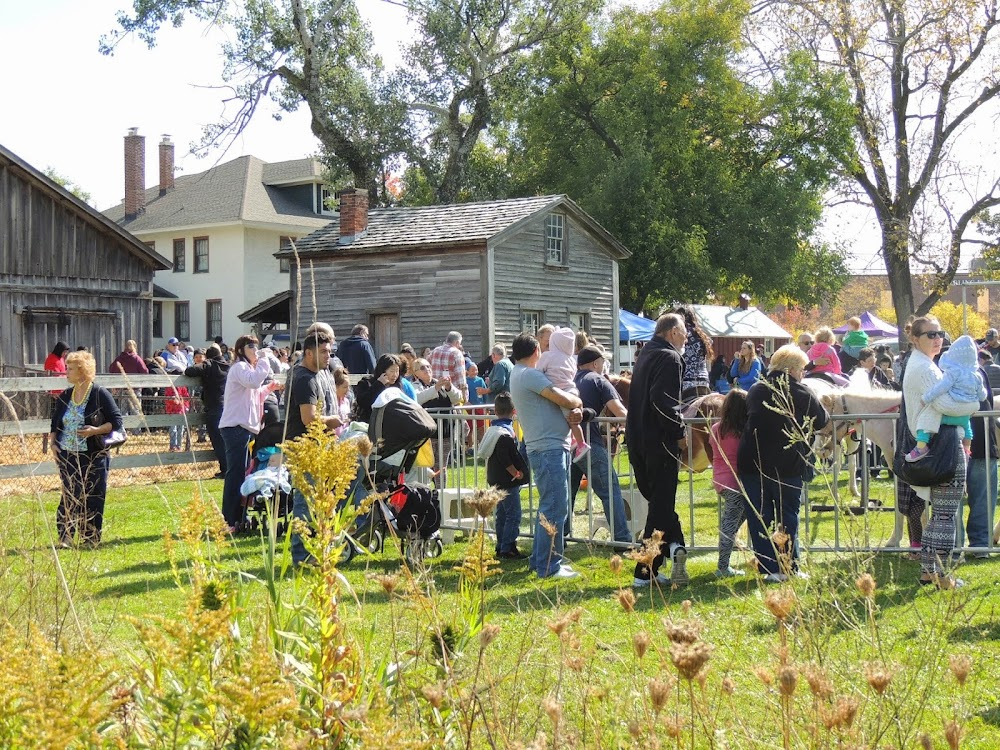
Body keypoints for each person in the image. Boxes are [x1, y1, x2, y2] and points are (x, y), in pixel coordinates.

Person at [737, 344, 829, 582]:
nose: (803, 373)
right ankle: (789, 566)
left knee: (760, 515)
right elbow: (823, 421)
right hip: (787, 464)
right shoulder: (801, 391)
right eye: (802, 369)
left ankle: (768, 569)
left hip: (752, 462)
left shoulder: (757, 389)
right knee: (787, 515)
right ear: (793, 369)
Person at [509, 332, 584, 579]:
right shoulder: (529, 374)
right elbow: (561, 397)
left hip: (549, 445)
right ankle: (548, 566)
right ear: (535, 352)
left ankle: (544, 560)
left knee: (552, 505)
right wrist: (578, 402)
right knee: (555, 506)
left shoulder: (519, 373)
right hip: (548, 447)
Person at [901, 316, 968, 588]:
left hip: (936, 447)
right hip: (942, 447)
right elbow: (947, 404)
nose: (938, 338)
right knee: (944, 515)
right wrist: (971, 403)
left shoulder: (922, 364)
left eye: (940, 333)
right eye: (930, 334)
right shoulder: (924, 368)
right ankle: (941, 575)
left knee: (940, 514)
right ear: (915, 338)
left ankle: (930, 572)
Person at [627, 313, 690, 587]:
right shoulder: (669, 357)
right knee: (661, 504)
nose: (686, 336)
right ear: (674, 331)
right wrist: (680, 433)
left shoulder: (646, 354)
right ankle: (645, 570)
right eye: (684, 331)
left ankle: (676, 547)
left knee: (660, 504)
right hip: (659, 441)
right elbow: (663, 402)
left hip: (639, 439)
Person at [48, 350, 124, 547]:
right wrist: (53, 443)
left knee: (93, 495)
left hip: (94, 454)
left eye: (70, 369)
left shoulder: (99, 394)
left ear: (82, 371)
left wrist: (95, 430)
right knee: (70, 494)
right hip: (68, 454)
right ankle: (65, 537)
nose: (66, 372)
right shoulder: (65, 395)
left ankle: (90, 538)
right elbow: (55, 423)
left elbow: (116, 423)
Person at [286, 330, 341, 567]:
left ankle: (317, 549)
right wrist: (332, 420)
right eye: (323, 351)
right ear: (308, 353)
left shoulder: (319, 374)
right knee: (305, 502)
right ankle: (301, 556)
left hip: (319, 446)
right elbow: (309, 419)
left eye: (329, 351)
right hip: (305, 447)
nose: (328, 356)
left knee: (320, 500)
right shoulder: (304, 378)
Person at [567, 345, 631, 544]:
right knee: (610, 492)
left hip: (569, 444)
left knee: (567, 494)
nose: (604, 366)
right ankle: (622, 539)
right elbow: (619, 411)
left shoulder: (570, 380)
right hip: (590, 443)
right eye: (603, 362)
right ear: (596, 363)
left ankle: (559, 536)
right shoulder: (598, 379)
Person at [219, 335, 283, 530]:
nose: (255, 350)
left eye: (256, 347)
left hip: (245, 428)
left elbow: (256, 394)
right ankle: (229, 520)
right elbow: (254, 383)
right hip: (235, 428)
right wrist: (264, 360)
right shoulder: (239, 367)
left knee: (243, 473)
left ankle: (238, 517)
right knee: (235, 474)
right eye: (251, 347)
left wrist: (270, 387)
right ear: (240, 350)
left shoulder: (248, 369)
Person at [906, 334, 984, 462]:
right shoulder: (976, 376)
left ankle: (921, 447)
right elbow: (982, 394)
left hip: (952, 409)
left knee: (927, 418)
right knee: (968, 429)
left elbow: (941, 387)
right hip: (965, 415)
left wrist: (926, 398)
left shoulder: (953, 373)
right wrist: (977, 400)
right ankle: (966, 448)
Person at [480, 393, 529, 559]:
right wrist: (516, 473)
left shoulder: (492, 429)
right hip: (507, 480)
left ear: (495, 410)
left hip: (494, 477)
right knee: (513, 514)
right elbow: (505, 458)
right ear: (514, 411)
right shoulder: (505, 434)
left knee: (501, 513)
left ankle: (501, 544)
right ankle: (507, 546)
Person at [959, 352, 996, 557]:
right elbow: (987, 398)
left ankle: (956, 545)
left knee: (953, 497)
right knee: (982, 496)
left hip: (960, 443)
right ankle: (980, 545)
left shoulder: (942, 372)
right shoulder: (978, 372)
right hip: (980, 442)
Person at [710, 388, 749, 577]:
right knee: (730, 524)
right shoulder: (742, 432)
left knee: (734, 521)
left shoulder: (717, 428)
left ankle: (724, 563)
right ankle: (723, 567)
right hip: (735, 481)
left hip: (720, 479)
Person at [537, 326, 590, 463]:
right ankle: (574, 439)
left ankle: (581, 444)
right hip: (572, 390)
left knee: (572, 419)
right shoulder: (571, 359)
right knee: (569, 418)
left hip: (562, 393)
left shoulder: (547, 356)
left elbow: (538, 371)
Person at [185, 344, 230, 478]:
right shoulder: (228, 366)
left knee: (217, 440)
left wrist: (205, 362)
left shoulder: (210, 365)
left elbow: (189, 371)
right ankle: (230, 468)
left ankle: (225, 469)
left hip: (214, 407)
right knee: (227, 439)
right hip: (228, 407)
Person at [678, 306, 713, 401]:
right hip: (703, 382)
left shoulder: (680, 334)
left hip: (686, 381)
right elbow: (710, 342)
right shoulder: (701, 334)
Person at [430, 331, 469, 400]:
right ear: (457, 342)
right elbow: (461, 377)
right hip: (451, 393)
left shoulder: (435, 350)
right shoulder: (456, 353)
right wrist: (464, 396)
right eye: (459, 343)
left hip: (435, 391)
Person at [465, 361, 487, 448]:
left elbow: (484, 392)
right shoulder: (465, 381)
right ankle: (471, 446)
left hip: (479, 406)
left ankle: (483, 445)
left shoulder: (480, 380)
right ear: (467, 371)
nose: (475, 372)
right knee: (470, 428)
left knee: (482, 427)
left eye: (476, 370)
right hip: (469, 408)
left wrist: (485, 404)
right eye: (472, 370)